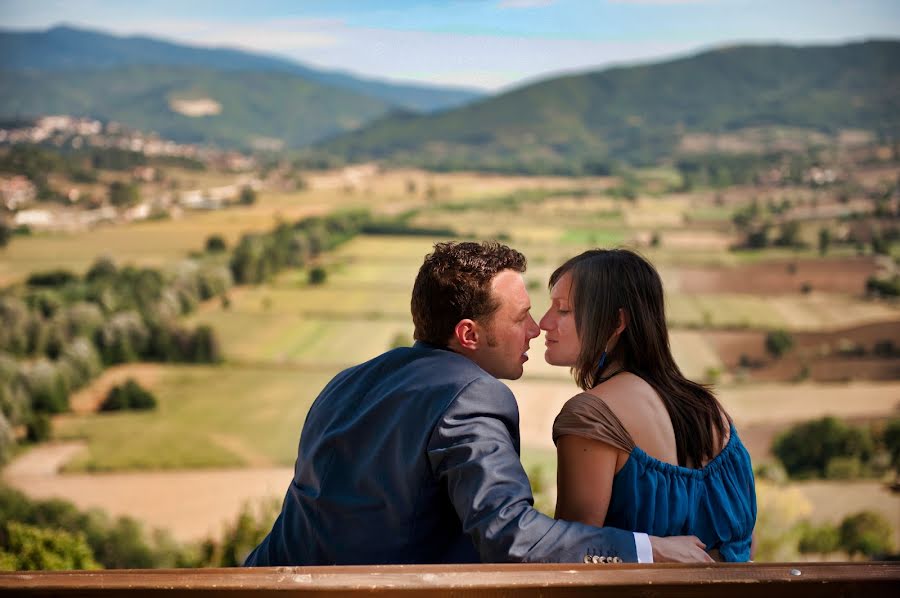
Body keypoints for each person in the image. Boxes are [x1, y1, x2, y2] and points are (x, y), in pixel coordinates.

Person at [244, 241, 712, 566]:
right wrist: (648, 550)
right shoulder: (470, 396)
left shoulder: (345, 383)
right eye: (522, 317)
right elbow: (510, 537)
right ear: (469, 334)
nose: (535, 330)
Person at [539, 248, 756, 562]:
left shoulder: (591, 416)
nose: (544, 323)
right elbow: (745, 545)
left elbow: (571, 556)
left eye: (562, 310)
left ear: (616, 322)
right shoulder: (712, 412)